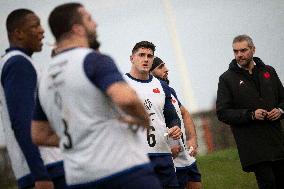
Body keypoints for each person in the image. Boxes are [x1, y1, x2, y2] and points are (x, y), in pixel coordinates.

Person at [31, 3, 162, 189]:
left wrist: (80, 137)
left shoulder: (45, 76)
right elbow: (126, 98)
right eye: (89, 19)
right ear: (77, 29)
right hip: (125, 171)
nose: (96, 24)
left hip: (79, 178)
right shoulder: (94, 59)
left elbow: (38, 134)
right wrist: (145, 120)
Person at [0, 9, 65, 189]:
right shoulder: (18, 64)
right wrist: (41, 174)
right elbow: (22, 121)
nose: (42, 30)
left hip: (47, 166)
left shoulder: (20, 62)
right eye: (35, 26)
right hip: (47, 169)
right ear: (18, 33)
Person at [216, 34, 284, 189]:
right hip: (254, 148)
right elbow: (222, 112)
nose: (239, 54)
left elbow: (283, 100)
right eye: (235, 51)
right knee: (269, 183)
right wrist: (251, 114)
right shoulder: (226, 79)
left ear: (253, 49)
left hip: (277, 143)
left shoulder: (269, 71)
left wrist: (280, 110)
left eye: (243, 50)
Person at [125, 41, 182, 189]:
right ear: (132, 58)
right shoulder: (121, 84)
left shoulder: (162, 86)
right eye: (141, 55)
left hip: (163, 154)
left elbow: (172, 117)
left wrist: (175, 127)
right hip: (136, 157)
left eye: (149, 56)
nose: (146, 59)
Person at [150, 57, 202, 189]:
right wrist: (166, 148)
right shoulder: (148, 95)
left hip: (187, 159)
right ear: (150, 72)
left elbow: (185, 113)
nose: (166, 69)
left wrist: (192, 139)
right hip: (170, 163)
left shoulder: (169, 90)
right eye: (161, 67)